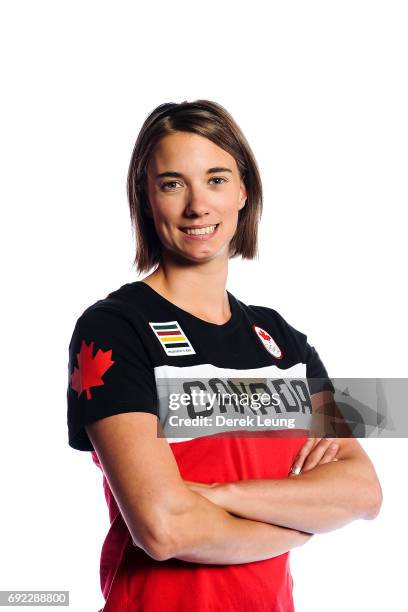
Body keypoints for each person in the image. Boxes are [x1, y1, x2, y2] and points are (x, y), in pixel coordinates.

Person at [66, 100, 383, 612]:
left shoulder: (285, 342)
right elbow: (164, 528)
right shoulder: (113, 329)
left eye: (216, 179)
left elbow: (363, 492)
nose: (198, 206)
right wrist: (298, 523)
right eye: (172, 183)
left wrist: (221, 494)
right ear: (147, 199)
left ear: (243, 191)